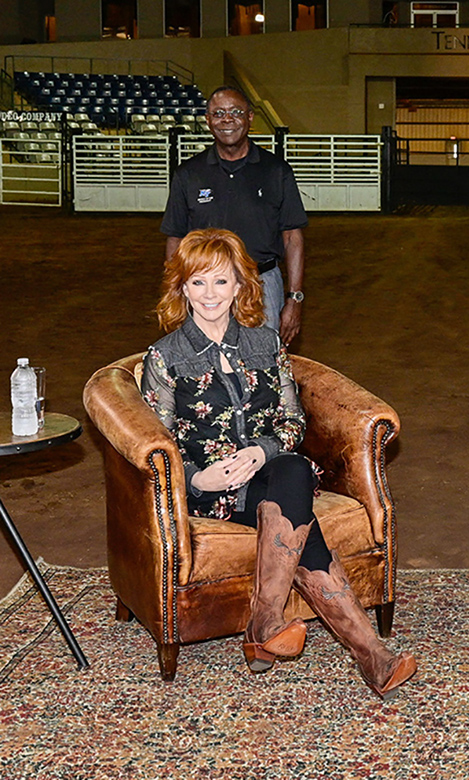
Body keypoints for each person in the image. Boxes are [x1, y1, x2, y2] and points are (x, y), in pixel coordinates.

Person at [141, 228, 416, 698]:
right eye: (198, 282)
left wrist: (260, 451)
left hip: (268, 475)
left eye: (221, 282)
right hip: (210, 489)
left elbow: (293, 422)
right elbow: (155, 441)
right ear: (182, 287)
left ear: (240, 286)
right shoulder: (165, 358)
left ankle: (265, 624)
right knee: (297, 500)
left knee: (291, 470)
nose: (210, 295)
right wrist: (197, 476)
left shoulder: (266, 344)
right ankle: (371, 653)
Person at [161, 86, 308, 344]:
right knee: (206, 368)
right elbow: (176, 238)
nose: (227, 119)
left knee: (261, 366)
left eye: (235, 112)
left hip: (262, 283)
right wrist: (176, 292)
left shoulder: (276, 171)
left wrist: (294, 299)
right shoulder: (188, 174)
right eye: (218, 113)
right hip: (206, 288)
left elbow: (292, 237)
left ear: (250, 117)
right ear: (208, 120)